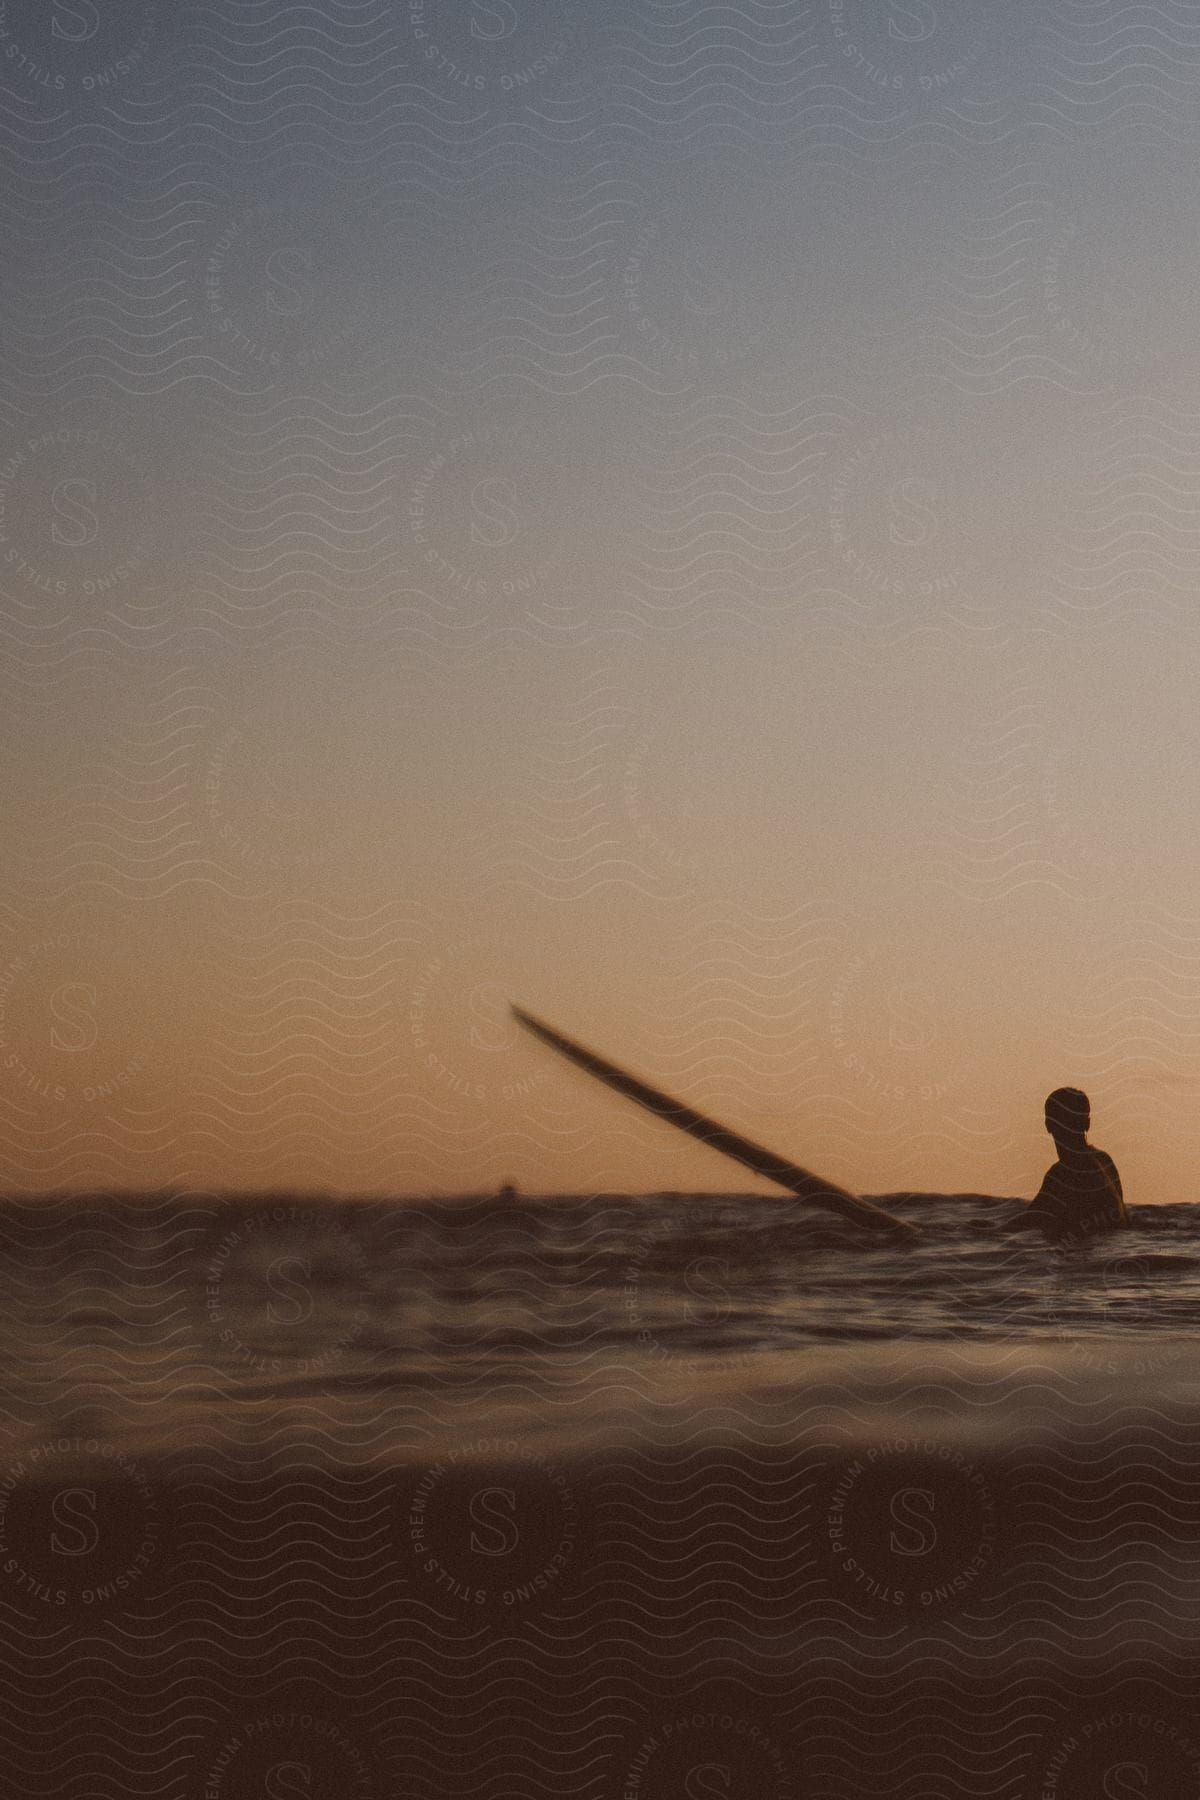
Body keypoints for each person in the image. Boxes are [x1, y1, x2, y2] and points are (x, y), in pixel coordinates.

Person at [1023, 1087, 1127, 1238]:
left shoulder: (1064, 1172)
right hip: (1111, 1248)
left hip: (1086, 1246)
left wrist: (985, 1232)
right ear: (1088, 1123)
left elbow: (1028, 1221)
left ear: (1048, 1125)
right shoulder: (1104, 1160)